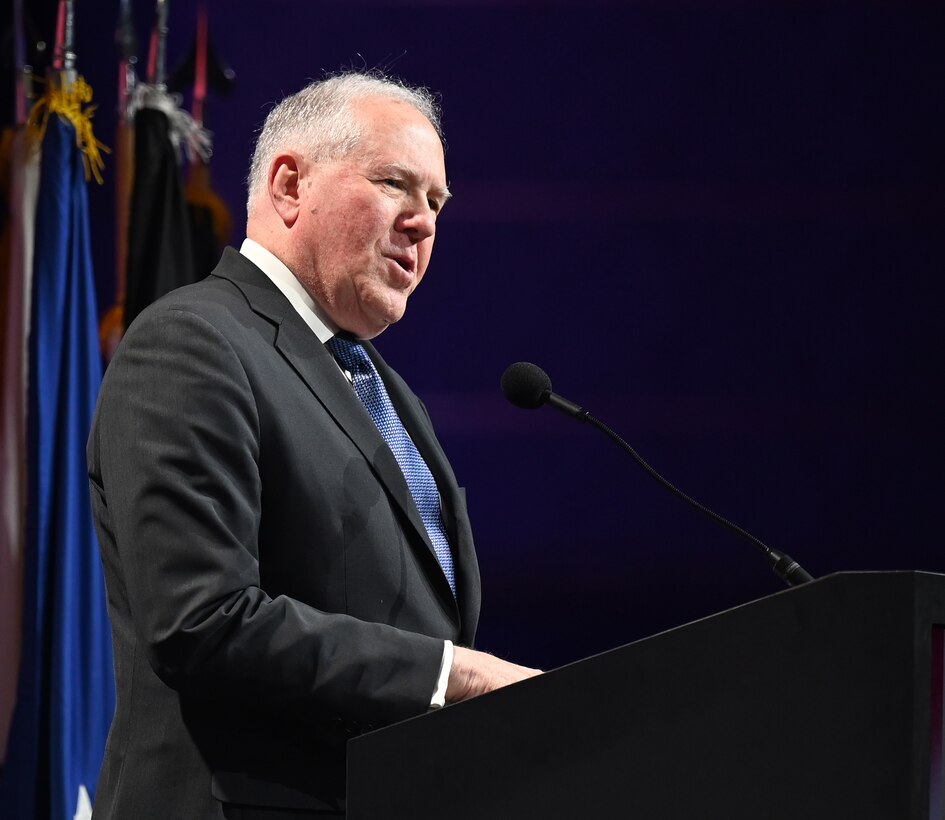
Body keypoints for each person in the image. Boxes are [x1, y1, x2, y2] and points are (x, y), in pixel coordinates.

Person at [87, 72, 540, 820]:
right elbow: (202, 622)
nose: (423, 223)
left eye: (435, 203)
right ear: (290, 184)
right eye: (396, 183)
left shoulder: (388, 394)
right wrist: (453, 674)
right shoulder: (191, 343)